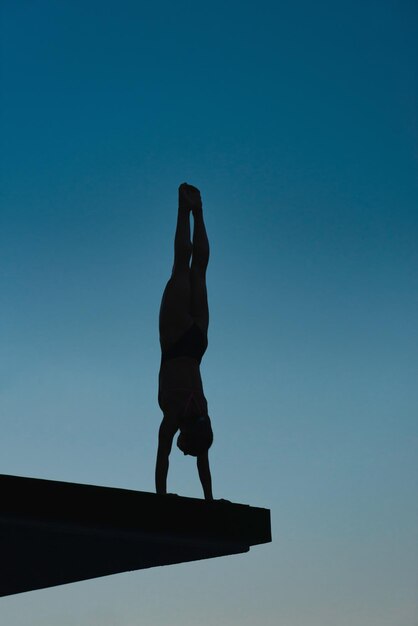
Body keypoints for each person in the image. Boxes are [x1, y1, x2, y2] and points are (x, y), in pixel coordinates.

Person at [155, 183, 214, 500]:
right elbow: (161, 458)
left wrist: (209, 498)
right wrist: (161, 497)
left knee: (199, 271)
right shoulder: (174, 416)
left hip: (196, 345)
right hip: (176, 343)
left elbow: (204, 464)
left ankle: (199, 210)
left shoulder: (203, 417)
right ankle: (184, 207)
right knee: (182, 266)